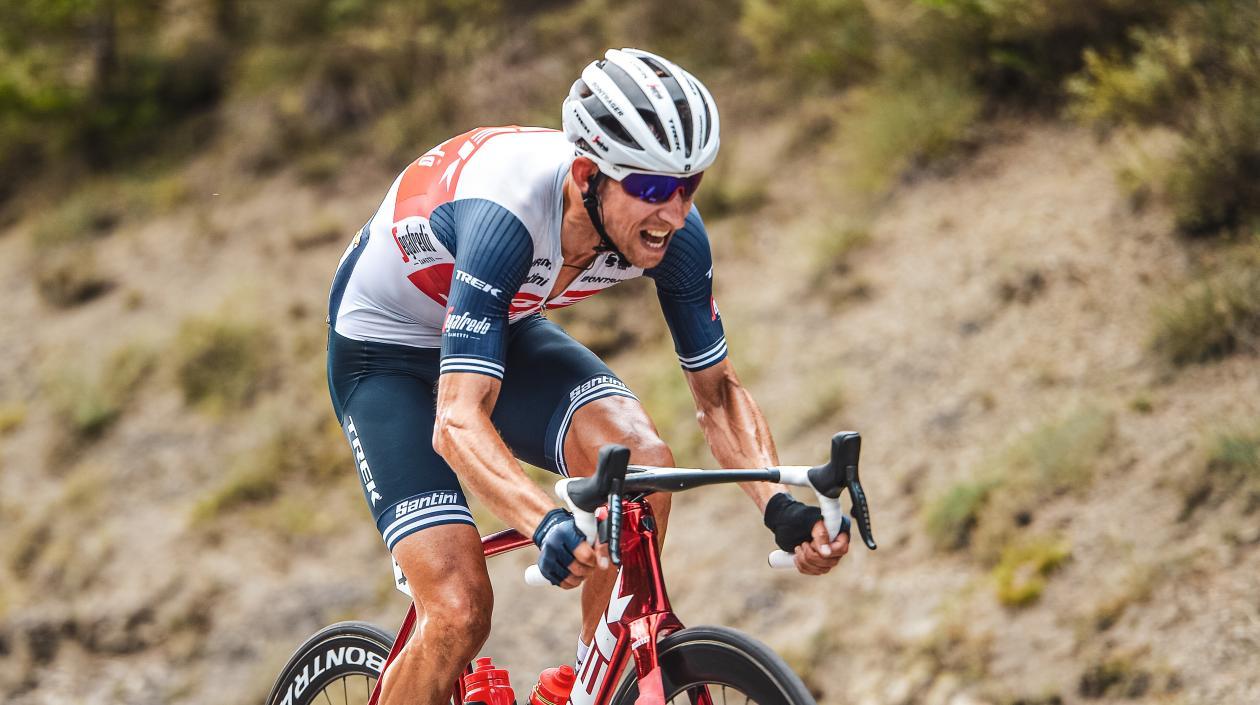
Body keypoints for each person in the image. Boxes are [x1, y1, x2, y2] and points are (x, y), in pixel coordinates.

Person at [326, 48, 850, 705]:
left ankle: (587, 687)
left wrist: (779, 506)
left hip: (499, 326)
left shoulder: (674, 237)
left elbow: (718, 395)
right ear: (586, 176)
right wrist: (545, 521)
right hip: (385, 353)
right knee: (458, 610)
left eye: (689, 185)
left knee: (640, 465)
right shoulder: (507, 217)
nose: (675, 213)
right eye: (652, 189)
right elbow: (457, 420)